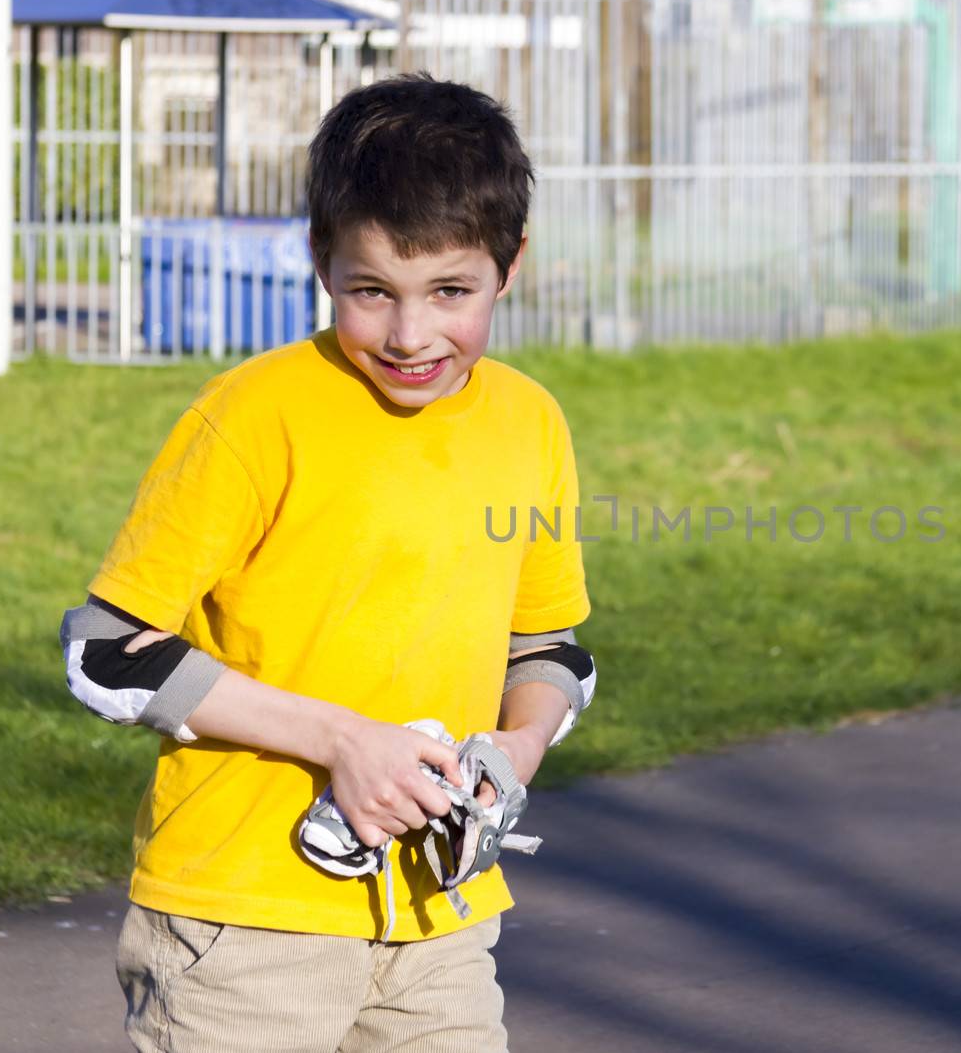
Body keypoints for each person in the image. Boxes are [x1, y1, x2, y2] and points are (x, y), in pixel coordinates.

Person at [57, 74, 596, 1052]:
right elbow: (105, 653)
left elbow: (554, 648)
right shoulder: (255, 415)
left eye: (450, 292)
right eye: (370, 290)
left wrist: (512, 753)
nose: (409, 334)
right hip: (244, 922)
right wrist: (345, 741)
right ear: (319, 259)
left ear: (509, 268)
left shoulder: (531, 422)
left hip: (438, 915)